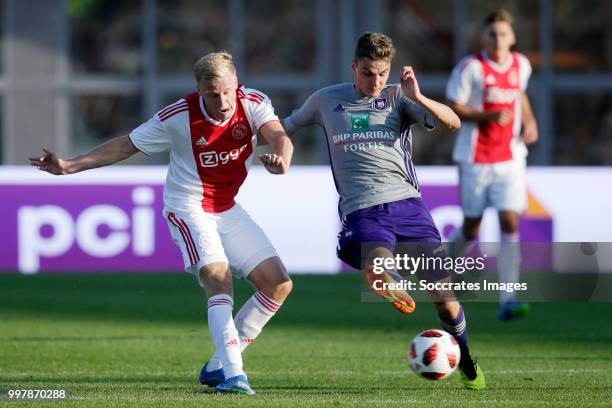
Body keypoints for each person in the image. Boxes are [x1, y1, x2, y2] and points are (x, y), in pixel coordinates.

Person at [29, 51, 294, 395]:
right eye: (213, 94)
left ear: (236, 84)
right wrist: (70, 166)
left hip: (227, 208)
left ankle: (218, 364)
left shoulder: (253, 102)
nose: (223, 100)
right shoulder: (178, 116)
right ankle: (234, 375)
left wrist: (283, 161)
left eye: (228, 91)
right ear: (200, 89)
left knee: (278, 284)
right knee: (218, 276)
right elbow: (126, 145)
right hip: (187, 206)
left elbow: (279, 136)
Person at [283, 32, 485, 389]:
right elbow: (286, 126)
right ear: (353, 67)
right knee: (377, 266)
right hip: (364, 209)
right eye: (366, 73)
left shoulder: (398, 98)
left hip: (409, 207)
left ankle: (466, 359)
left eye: (381, 73)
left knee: (447, 301)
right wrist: (259, 149)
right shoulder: (326, 100)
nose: (375, 81)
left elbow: (453, 122)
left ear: (390, 70)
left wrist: (417, 96)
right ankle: (388, 280)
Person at [446, 9, 538, 320]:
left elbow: (519, 95)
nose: (498, 39)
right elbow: (453, 108)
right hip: (475, 159)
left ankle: (508, 298)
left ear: (512, 37)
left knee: (510, 222)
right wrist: (488, 116)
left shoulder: (521, 64)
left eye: (503, 33)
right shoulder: (470, 68)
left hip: (511, 158)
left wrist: (529, 121)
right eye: (492, 33)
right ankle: (444, 276)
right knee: (471, 227)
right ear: (484, 37)